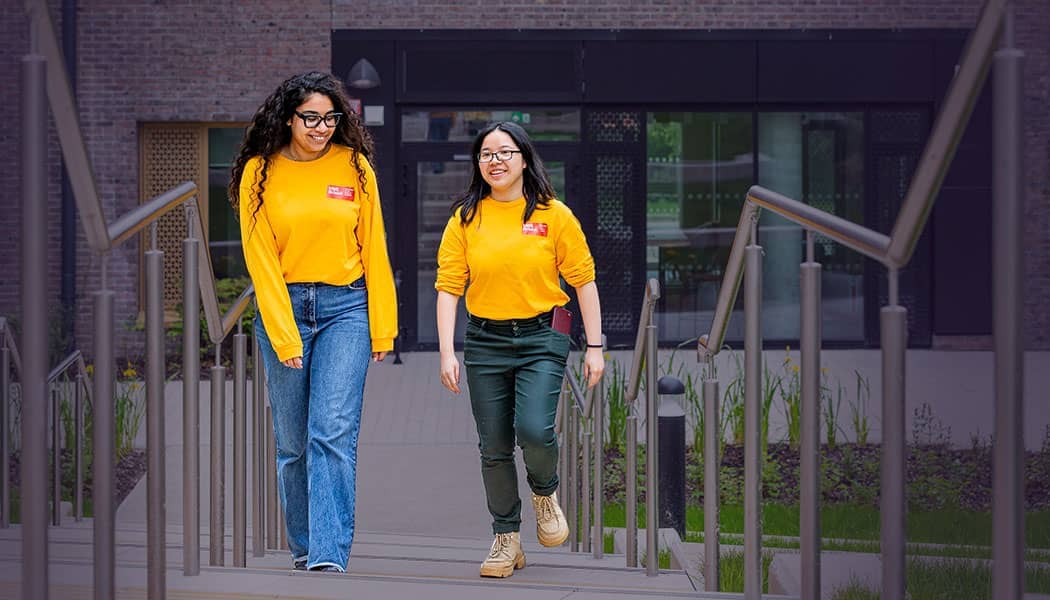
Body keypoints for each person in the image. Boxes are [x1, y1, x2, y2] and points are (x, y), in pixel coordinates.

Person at [228, 71, 397, 573]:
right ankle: (303, 545)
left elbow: (375, 251)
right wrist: (283, 333)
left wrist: (383, 327)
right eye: (311, 118)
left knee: (332, 430)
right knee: (293, 443)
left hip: (347, 308)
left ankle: (328, 554)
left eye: (331, 118)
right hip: (285, 308)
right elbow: (259, 261)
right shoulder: (258, 172)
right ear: (288, 117)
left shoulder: (356, 168)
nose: (322, 127)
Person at [435, 121, 604, 578]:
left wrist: (594, 346)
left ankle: (544, 492)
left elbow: (583, 281)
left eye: (505, 152)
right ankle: (506, 539)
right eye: (486, 154)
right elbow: (449, 286)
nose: (495, 161)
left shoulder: (554, 215)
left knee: (533, 428)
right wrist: (447, 351)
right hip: (485, 340)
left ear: (524, 159)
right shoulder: (466, 218)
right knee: (493, 446)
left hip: (543, 335)